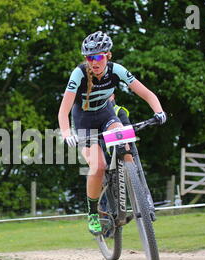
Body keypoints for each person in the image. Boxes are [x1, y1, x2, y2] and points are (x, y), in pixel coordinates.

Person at [58, 31, 167, 235]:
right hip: (84, 121)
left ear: (108, 55)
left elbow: (146, 92)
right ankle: (92, 213)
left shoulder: (117, 70)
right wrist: (66, 133)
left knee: (125, 146)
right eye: (90, 57)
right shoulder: (79, 74)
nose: (94, 62)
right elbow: (63, 111)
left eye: (98, 56)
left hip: (107, 114)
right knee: (98, 166)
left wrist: (159, 111)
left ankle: (138, 192)